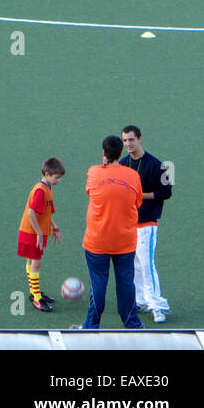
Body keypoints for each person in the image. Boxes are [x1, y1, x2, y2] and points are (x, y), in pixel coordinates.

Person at [74, 135, 144, 330]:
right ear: (121, 153)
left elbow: (90, 192)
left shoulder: (93, 172)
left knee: (98, 284)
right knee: (126, 283)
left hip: (97, 241)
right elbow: (137, 202)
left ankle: (91, 325)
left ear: (104, 153)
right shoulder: (133, 175)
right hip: (125, 241)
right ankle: (132, 323)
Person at [119, 125, 172, 323]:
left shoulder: (156, 165)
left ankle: (158, 305)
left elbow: (166, 192)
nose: (128, 144)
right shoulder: (123, 164)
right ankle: (141, 300)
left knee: (147, 264)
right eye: (125, 141)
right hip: (127, 223)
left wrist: (140, 196)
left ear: (140, 139)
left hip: (147, 223)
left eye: (131, 140)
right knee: (134, 264)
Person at [16, 157, 65, 313]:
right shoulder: (41, 191)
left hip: (36, 232)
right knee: (36, 263)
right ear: (46, 174)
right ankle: (36, 297)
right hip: (32, 232)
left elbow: (47, 213)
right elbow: (31, 214)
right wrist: (38, 233)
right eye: (56, 177)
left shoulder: (48, 188)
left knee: (32, 261)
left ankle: (34, 292)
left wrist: (55, 229)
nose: (58, 181)